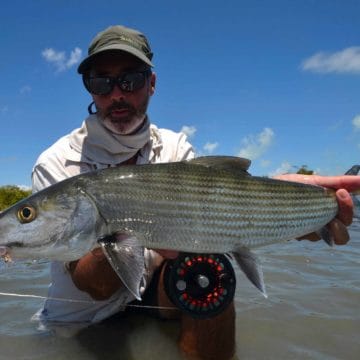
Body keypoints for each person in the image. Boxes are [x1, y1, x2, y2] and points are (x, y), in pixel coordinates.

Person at [31, 24, 358, 359]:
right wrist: (120, 229)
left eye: (131, 80)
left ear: (152, 84)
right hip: (81, 319)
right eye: (101, 82)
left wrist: (295, 212)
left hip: (155, 296)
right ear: (90, 90)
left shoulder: (175, 147)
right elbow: (95, 286)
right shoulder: (55, 163)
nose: (117, 94)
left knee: (209, 269)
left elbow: (221, 215)